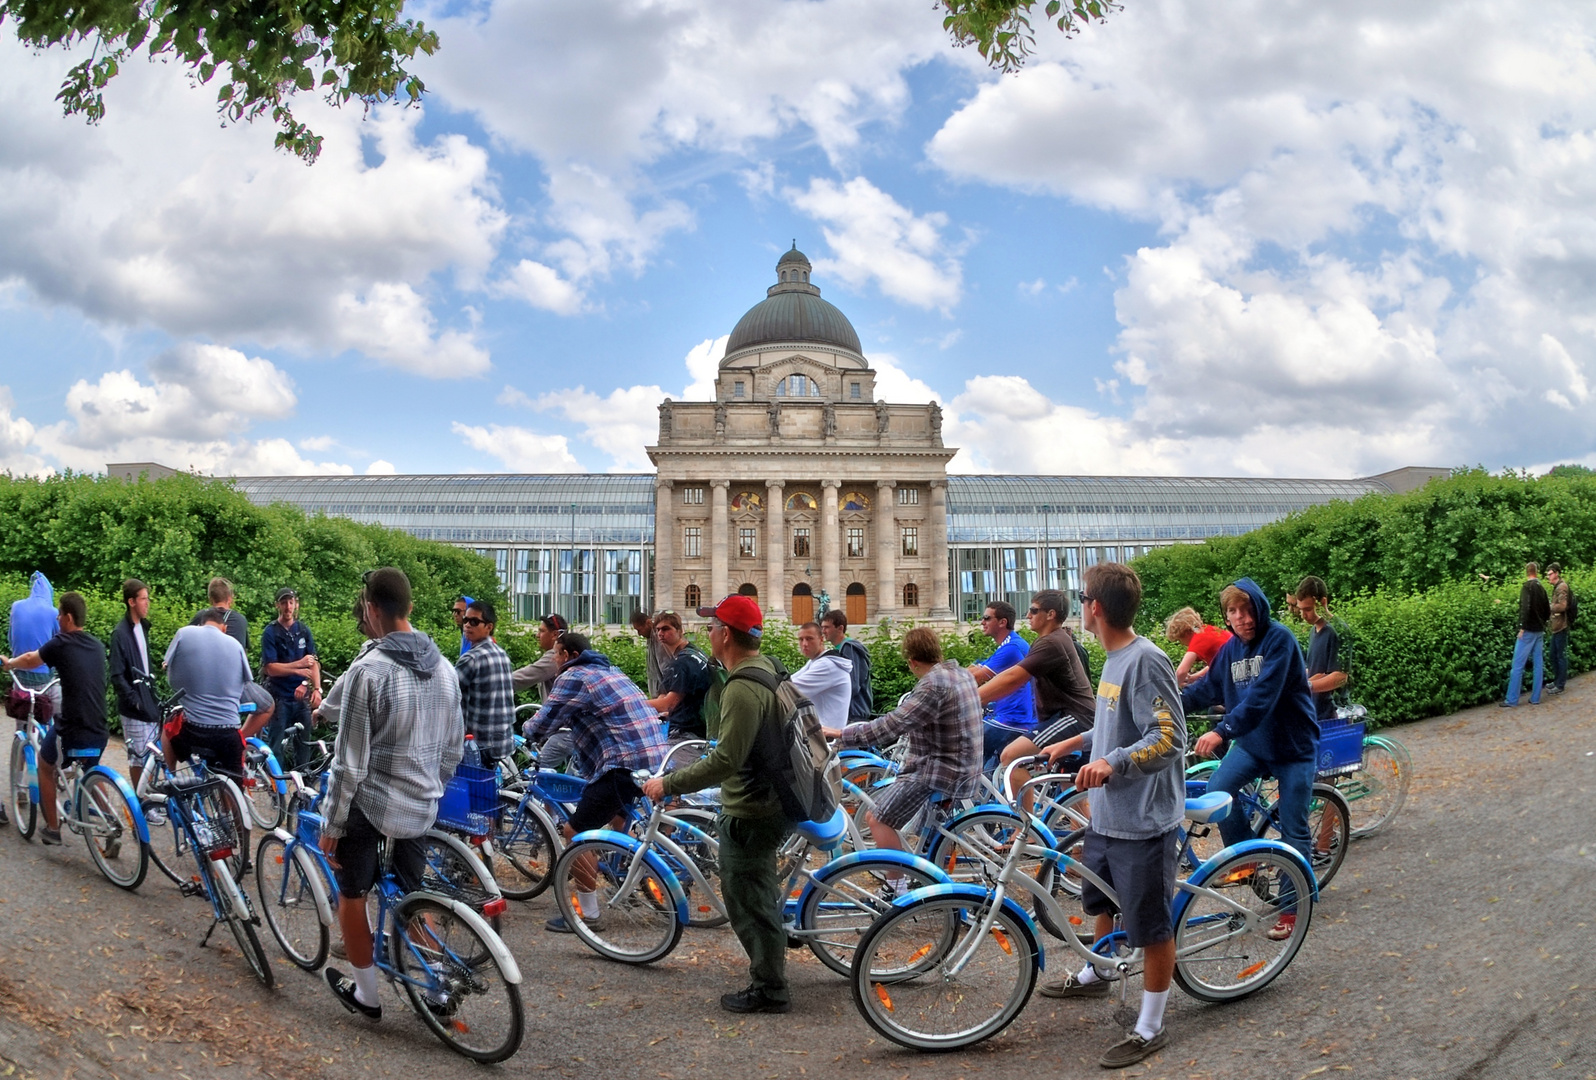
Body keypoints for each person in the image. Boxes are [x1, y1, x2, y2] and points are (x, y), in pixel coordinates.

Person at [1033, 563, 1186, 1068]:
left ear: (1095, 607)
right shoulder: (1112, 657)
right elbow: (1114, 725)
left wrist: (1110, 762)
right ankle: (1099, 975)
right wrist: (1075, 744)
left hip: (1143, 819)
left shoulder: (1146, 660)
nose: (1080, 605)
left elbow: (1169, 738)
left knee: (1151, 925)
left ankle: (1150, 1024)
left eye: (1082, 597)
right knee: (1097, 895)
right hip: (1106, 814)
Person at [322, 568, 465, 1022]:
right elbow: (453, 749)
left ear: (370, 609)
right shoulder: (445, 668)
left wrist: (332, 824)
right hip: (422, 806)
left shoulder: (368, 672)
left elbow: (349, 765)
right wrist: (431, 788)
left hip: (372, 807)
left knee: (353, 895)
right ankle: (437, 988)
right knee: (411, 893)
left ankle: (367, 995)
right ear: (411, 609)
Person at [641, 595, 792, 1014]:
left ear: (726, 634)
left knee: (750, 901)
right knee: (758, 893)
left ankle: (770, 988)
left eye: (712, 627)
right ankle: (771, 960)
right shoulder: (769, 667)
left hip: (752, 807)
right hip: (771, 797)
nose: (707, 633)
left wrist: (668, 783)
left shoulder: (743, 687)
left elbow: (727, 760)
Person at [1183, 578, 1318, 939]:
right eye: (1233, 611)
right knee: (1219, 790)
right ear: (1225, 617)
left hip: (1293, 748)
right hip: (1254, 744)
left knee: (1294, 828)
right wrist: (1163, 707)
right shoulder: (1230, 651)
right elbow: (1206, 688)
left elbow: (1261, 698)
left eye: (1246, 609)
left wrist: (1221, 730)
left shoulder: (1280, 640)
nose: (1241, 618)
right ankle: (1249, 857)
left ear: (1259, 608)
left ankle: (1293, 908)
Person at [522, 630, 668, 933]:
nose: (554, 661)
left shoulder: (573, 676)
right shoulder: (609, 669)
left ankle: (588, 916)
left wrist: (526, 730)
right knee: (616, 812)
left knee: (576, 831)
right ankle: (626, 874)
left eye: (556, 655)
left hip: (623, 762)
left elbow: (545, 721)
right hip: (653, 757)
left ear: (569, 656)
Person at [823, 627, 982, 885]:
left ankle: (896, 889)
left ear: (912, 662)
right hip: (964, 768)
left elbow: (893, 725)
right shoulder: (960, 673)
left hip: (940, 771)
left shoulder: (933, 685)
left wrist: (841, 733)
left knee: (877, 818)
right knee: (926, 831)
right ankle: (922, 874)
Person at [1, 592, 108, 845]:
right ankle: (107, 818)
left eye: (60, 614)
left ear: (68, 618)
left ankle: (52, 828)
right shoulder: (97, 645)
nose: (57, 618)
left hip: (73, 729)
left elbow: (30, 659)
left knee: (45, 764)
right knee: (90, 769)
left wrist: (9, 664)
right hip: (100, 728)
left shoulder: (61, 642)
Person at [982, 589, 1097, 809]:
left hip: (1074, 717)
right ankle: (1081, 843)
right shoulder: (1051, 640)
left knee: (1012, 758)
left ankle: (1025, 830)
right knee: (1074, 803)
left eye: (1033, 610)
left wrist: (969, 698)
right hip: (1070, 718)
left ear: (1050, 614)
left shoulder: (1051, 642)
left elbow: (1013, 677)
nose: (1027, 616)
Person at [163, 608, 259, 781]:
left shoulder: (184, 634)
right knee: (232, 782)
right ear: (224, 628)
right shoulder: (236, 645)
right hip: (229, 732)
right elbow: (245, 684)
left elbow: (171, 681)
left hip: (195, 730)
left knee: (168, 725)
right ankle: (232, 806)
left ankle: (171, 780)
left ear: (201, 624)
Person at [109, 578, 163, 787]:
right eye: (143, 599)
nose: (147, 603)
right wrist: (134, 701)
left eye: (147, 599)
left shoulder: (143, 627)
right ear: (131, 602)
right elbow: (116, 675)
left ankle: (148, 797)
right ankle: (142, 803)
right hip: (134, 706)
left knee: (151, 753)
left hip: (148, 700)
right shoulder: (120, 634)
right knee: (138, 757)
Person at [260, 587, 322, 767]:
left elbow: (313, 662)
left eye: (291, 602)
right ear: (277, 605)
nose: (288, 606)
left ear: (296, 605)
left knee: (304, 745)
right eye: (284, 602)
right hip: (279, 697)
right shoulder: (270, 632)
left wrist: (315, 688)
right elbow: (271, 668)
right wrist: (297, 668)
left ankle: (304, 783)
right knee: (276, 745)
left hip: (301, 697)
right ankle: (276, 786)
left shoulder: (303, 630)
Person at [968, 600, 1035, 765]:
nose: (982, 622)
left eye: (987, 618)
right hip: (1007, 716)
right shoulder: (1007, 645)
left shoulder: (1012, 648)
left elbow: (976, 678)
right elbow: (974, 670)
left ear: (1002, 622)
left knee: (964, 747)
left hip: (1014, 719)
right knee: (988, 769)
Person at [455, 599, 515, 765]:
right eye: (465, 620)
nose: (467, 625)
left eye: (474, 622)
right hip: (503, 743)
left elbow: (446, 695)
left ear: (489, 627)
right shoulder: (502, 653)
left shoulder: (471, 658)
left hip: (478, 747)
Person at [511, 613, 574, 769]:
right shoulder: (565, 655)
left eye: (541, 631)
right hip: (574, 728)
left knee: (538, 771)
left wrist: (490, 683)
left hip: (566, 730)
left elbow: (523, 677)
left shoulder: (555, 656)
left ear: (555, 635)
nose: (537, 635)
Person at [643, 611, 712, 739]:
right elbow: (663, 698)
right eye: (657, 630)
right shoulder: (694, 653)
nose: (660, 633)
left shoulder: (683, 662)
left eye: (666, 629)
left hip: (689, 733)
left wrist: (633, 704)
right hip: (700, 729)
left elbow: (668, 704)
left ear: (680, 630)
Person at [1295, 577, 1347, 721]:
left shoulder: (1338, 630)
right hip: (1314, 714)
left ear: (1322, 602)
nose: (1303, 615)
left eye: (1308, 609)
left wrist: (1306, 685)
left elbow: (1341, 677)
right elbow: (1316, 670)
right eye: (1301, 610)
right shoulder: (1313, 631)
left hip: (1331, 716)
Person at [1502, 562, 1550, 708]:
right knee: (1538, 664)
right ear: (1537, 572)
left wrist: (1522, 627)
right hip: (1539, 631)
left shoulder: (1526, 587)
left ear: (1526, 572)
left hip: (1528, 630)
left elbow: (1525, 607)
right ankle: (1535, 698)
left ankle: (1512, 699)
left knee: (1517, 665)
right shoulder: (1542, 588)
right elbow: (1547, 611)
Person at [790, 621, 852, 732]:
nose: (804, 644)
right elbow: (789, 681)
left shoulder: (827, 665)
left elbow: (790, 690)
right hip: (818, 734)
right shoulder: (815, 661)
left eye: (809, 639)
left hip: (825, 740)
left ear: (821, 639)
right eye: (801, 639)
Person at [820, 609, 873, 723]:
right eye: (822, 627)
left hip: (853, 714)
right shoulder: (840, 649)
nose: (823, 631)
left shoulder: (849, 648)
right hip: (845, 713)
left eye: (827, 627)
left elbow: (853, 685)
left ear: (840, 628)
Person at [1162, 607, 1232, 688]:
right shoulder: (1208, 630)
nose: (1182, 644)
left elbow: (1181, 672)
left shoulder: (1198, 638)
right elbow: (1215, 665)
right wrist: (1193, 677)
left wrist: (1171, 690)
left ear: (1185, 634)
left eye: (1179, 639)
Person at [190, 576, 249, 652]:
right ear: (230, 599)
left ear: (210, 599)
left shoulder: (200, 616)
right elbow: (243, 652)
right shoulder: (240, 620)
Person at [631, 610, 673, 697]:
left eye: (639, 630)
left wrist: (664, 695)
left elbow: (666, 669)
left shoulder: (659, 639)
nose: (639, 634)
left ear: (648, 623)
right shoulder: (651, 639)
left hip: (663, 694)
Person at [1546, 563, 1572, 696]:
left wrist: (1549, 606)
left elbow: (1562, 606)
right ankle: (1557, 681)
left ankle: (1560, 684)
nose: (1548, 577)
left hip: (1561, 626)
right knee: (1553, 655)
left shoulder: (1561, 587)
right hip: (1556, 627)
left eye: (1550, 574)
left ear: (1556, 573)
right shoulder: (1557, 587)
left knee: (1559, 656)